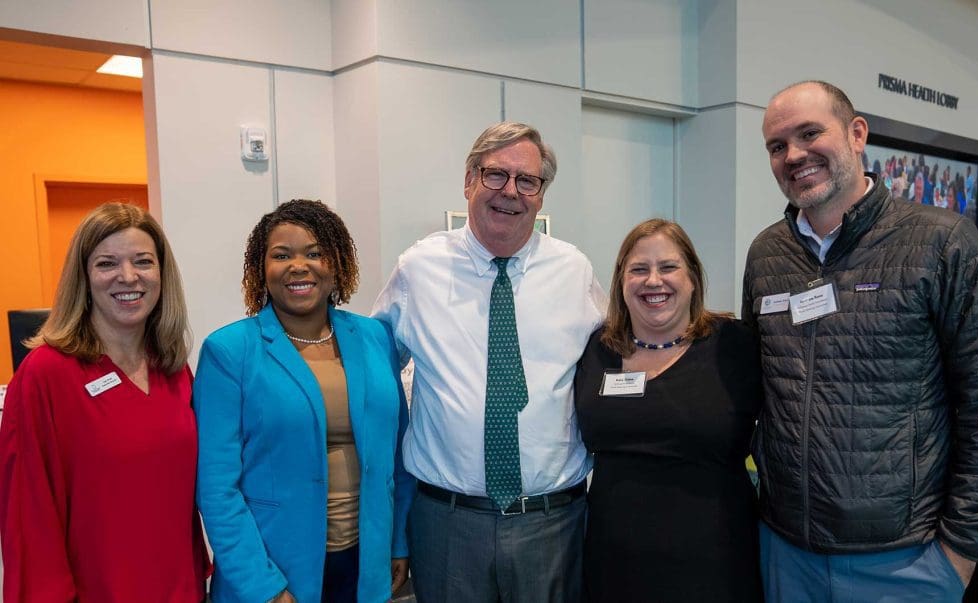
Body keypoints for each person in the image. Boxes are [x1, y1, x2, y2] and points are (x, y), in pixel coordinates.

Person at [743, 80, 978, 602]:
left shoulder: (942, 243)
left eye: (809, 134)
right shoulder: (766, 254)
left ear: (856, 134)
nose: (794, 156)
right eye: (777, 146)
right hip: (786, 552)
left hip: (905, 561)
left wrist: (960, 550)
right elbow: (756, 386)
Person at [372, 122, 605, 602]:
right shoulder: (419, 269)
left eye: (528, 181)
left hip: (553, 523)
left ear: (541, 195)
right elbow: (372, 371)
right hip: (448, 523)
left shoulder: (574, 270)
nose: (511, 192)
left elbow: (614, 361)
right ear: (468, 180)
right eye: (496, 175)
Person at [194, 199, 413, 603]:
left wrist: (398, 540)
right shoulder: (229, 351)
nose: (299, 266)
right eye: (282, 255)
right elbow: (216, 486)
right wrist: (262, 585)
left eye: (315, 253)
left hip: (366, 563)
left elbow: (399, 455)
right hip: (274, 570)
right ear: (261, 268)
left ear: (338, 264)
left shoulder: (375, 338)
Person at [0, 202, 210, 602]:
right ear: (84, 277)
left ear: (162, 275)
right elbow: (28, 521)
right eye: (106, 263)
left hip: (180, 588)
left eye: (143, 261)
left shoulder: (172, 370)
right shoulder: (45, 375)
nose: (128, 276)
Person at [575, 219, 763, 602]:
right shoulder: (597, 349)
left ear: (693, 277)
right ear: (621, 282)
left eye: (668, 267)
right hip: (615, 563)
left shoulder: (736, 345)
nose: (653, 280)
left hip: (715, 562)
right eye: (639, 269)